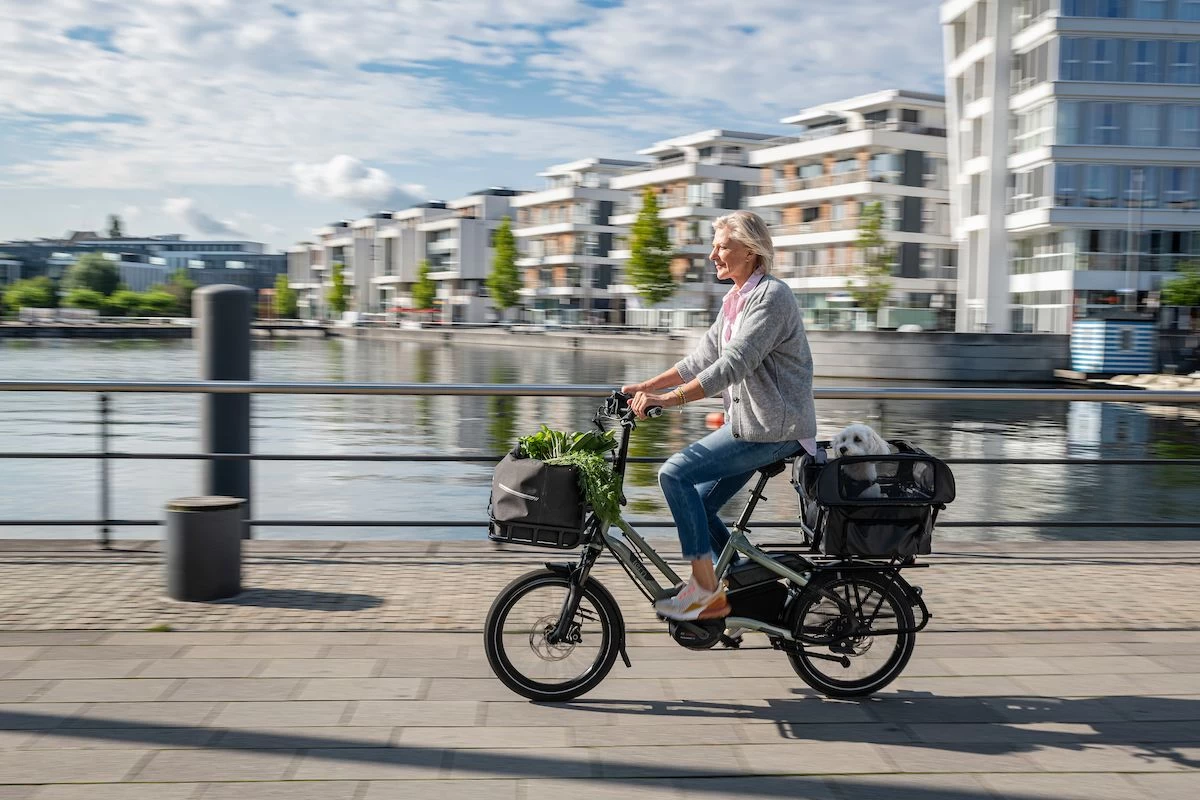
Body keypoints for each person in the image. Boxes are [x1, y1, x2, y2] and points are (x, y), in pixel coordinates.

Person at [621, 210, 816, 621]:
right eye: (715, 246)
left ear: (752, 251)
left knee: (674, 474)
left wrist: (668, 401)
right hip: (748, 426)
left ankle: (705, 589)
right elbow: (701, 359)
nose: (713, 255)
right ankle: (747, 589)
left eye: (723, 246)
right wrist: (647, 387)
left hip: (772, 429)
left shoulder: (772, 297)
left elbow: (732, 365)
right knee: (702, 506)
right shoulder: (736, 300)